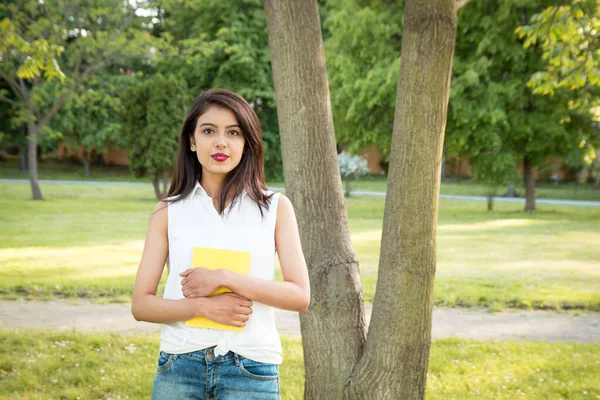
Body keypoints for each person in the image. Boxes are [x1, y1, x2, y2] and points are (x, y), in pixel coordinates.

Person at [131, 88, 310, 400]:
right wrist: (202, 307)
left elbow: (299, 296)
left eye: (233, 132)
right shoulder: (167, 212)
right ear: (191, 141)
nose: (220, 142)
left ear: (246, 142)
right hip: (180, 367)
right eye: (208, 131)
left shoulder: (275, 208)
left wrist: (226, 278)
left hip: (252, 370)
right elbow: (141, 304)